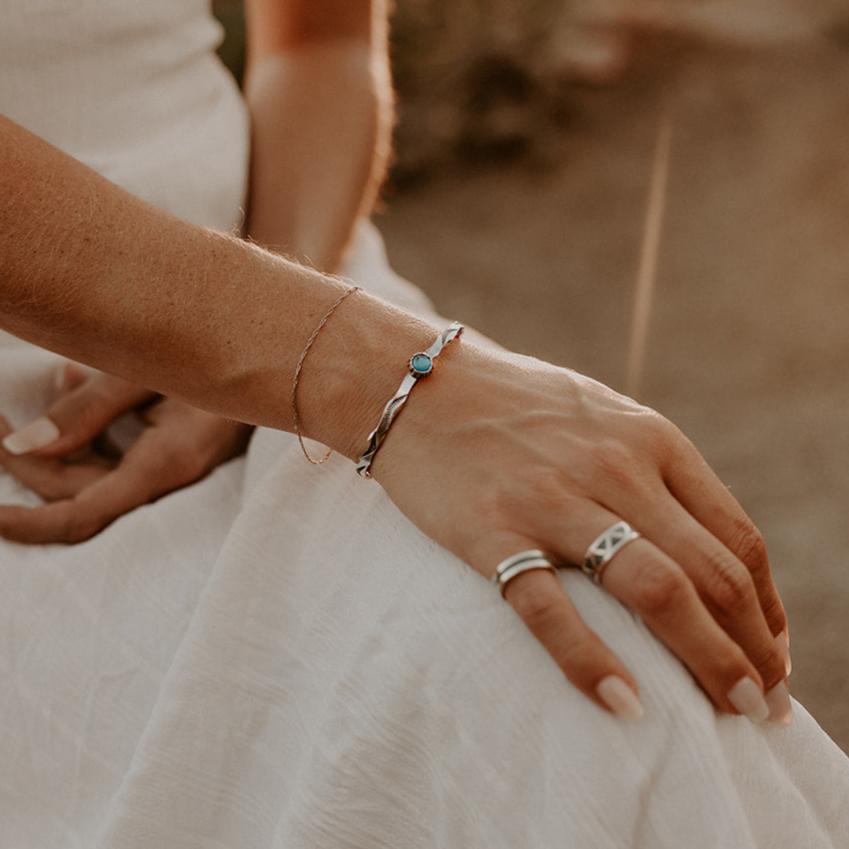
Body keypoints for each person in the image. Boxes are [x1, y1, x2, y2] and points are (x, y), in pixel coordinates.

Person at [0, 2, 846, 847]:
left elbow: (321, 41)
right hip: (74, 413)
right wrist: (341, 363)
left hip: (289, 274)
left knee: (597, 659)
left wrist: (259, 334)